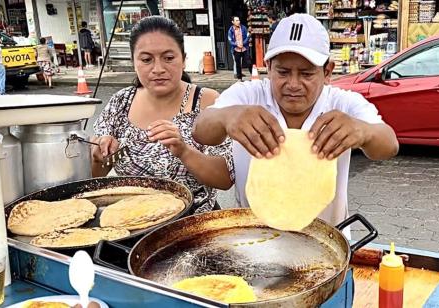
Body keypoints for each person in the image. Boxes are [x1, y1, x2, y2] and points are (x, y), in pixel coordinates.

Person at [193, 14, 398, 227]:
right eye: (283, 72)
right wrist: (227, 116)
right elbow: (200, 131)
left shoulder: (343, 102)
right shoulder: (248, 95)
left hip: (324, 240)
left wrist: (364, 132)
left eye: (306, 74)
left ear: (327, 71)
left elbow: (389, 145)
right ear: (269, 67)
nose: (293, 84)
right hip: (254, 238)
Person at [92, 16, 234, 213]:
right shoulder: (120, 102)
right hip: (131, 224)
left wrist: (184, 151)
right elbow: (94, 178)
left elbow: (225, 178)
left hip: (193, 224)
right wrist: (100, 157)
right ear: (134, 62)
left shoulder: (206, 101)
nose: (158, 69)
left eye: (168, 58)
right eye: (146, 60)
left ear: (183, 60)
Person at [228, 16, 251, 81]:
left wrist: (243, 43)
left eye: (239, 20)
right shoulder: (231, 30)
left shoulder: (243, 28)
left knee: (248, 62)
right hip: (236, 49)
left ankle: (253, 75)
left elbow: (247, 36)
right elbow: (230, 40)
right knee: (238, 64)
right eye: (236, 20)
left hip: (244, 48)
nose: (238, 22)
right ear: (233, 22)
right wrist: (236, 45)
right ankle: (239, 78)